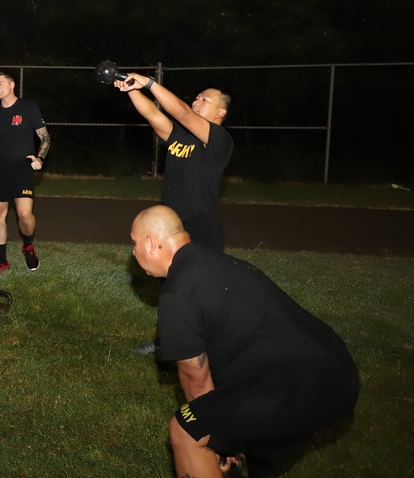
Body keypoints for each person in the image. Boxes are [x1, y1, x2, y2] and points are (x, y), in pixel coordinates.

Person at [129, 205, 360, 478]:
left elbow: (197, 382)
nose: (133, 252)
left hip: (301, 382)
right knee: (252, 455)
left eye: (134, 243)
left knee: (187, 429)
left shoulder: (179, 291)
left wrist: (213, 436)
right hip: (337, 372)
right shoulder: (216, 262)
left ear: (152, 244)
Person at [114, 72, 234, 355]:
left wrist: (149, 83)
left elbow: (179, 110)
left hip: (201, 227)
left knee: (203, 292)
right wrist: (131, 89)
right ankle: (166, 341)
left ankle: (212, 343)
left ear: (220, 112)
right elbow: (155, 117)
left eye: (205, 99)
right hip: (172, 229)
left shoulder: (219, 140)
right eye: (196, 97)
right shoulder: (180, 135)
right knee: (172, 289)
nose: (196, 101)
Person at [0, 72, 51, 277]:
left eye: (1, 83)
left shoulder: (28, 108)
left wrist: (40, 158)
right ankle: (2, 262)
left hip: (23, 168)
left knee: (25, 215)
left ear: (12, 85)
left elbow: (44, 138)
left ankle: (28, 246)